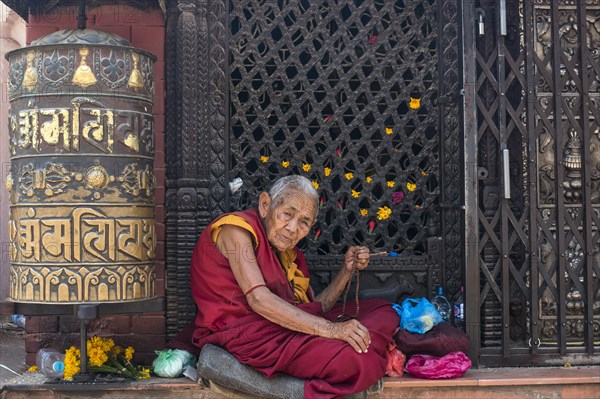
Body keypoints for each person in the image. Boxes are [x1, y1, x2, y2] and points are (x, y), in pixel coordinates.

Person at [189, 175, 399, 398]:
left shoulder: (289, 255)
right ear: (265, 205)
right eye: (287, 214)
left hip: (280, 328)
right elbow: (258, 299)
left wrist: (346, 271)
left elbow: (316, 307)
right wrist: (332, 331)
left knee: (383, 311)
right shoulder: (236, 230)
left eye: (304, 222)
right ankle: (292, 390)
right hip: (247, 337)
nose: (292, 228)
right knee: (354, 360)